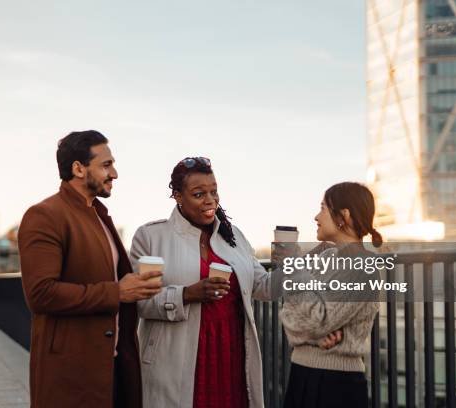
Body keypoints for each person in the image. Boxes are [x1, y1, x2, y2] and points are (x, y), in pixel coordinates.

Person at [18, 130, 162, 408]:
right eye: (106, 165)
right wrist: (117, 292)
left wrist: (135, 285)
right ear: (78, 168)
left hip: (116, 366)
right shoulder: (44, 215)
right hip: (72, 373)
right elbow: (41, 294)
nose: (115, 174)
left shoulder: (98, 214)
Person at [130, 157, 283, 408]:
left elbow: (264, 287)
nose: (210, 200)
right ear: (178, 196)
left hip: (231, 354)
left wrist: (290, 265)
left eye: (214, 192)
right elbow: (140, 302)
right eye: (199, 194)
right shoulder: (151, 237)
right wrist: (187, 294)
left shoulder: (233, 237)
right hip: (177, 359)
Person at [279, 182, 381, 408]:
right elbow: (288, 316)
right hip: (303, 374)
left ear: (343, 215)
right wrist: (315, 335)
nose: (316, 216)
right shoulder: (326, 260)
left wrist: (294, 269)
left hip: (335, 384)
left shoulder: (362, 266)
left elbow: (315, 319)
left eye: (323, 208)